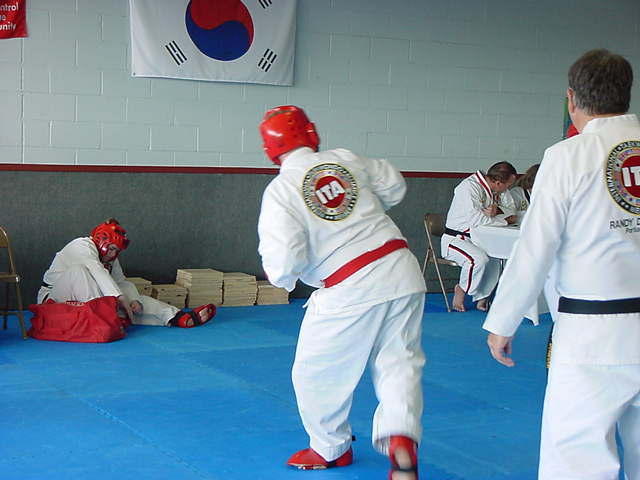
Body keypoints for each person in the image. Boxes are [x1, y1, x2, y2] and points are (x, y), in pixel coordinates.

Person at [483, 49, 640, 479]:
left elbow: (536, 246)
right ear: (626, 93)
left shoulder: (568, 156)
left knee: (577, 460)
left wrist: (504, 321)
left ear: (571, 98)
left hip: (593, 335)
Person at [257, 105, 426, 479]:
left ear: (270, 149)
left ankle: (330, 448)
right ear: (311, 133)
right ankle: (400, 436)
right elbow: (394, 184)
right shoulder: (344, 159)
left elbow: (283, 261)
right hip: (401, 269)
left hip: (349, 285)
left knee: (315, 373)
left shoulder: (282, 190)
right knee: (398, 360)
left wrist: (285, 279)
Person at [37, 219, 215, 328]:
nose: (114, 254)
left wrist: (133, 300)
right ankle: (108, 318)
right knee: (80, 272)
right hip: (52, 300)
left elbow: (121, 282)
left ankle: (175, 317)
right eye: (112, 248)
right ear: (101, 241)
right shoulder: (81, 246)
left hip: (88, 301)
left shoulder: (110, 258)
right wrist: (120, 299)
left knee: (130, 301)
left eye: (117, 250)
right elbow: (97, 272)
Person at [441, 162, 518, 312]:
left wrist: (497, 210)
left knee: (496, 260)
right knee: (478, 260)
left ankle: (482, 297)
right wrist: (504, 221)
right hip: (456, 239)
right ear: (498, 182)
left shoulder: (495, 190)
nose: (507, 189)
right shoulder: (469, 188)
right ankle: (461, 290)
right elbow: (476, 220)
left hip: (479, 239)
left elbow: (512, 210)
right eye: (507, 185)